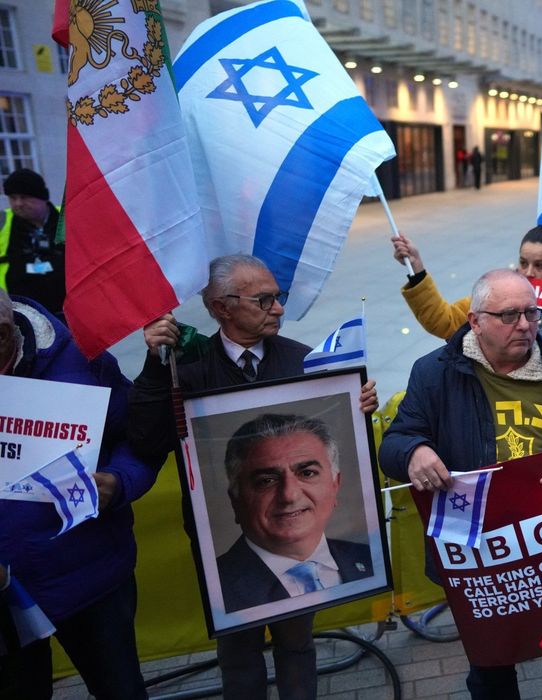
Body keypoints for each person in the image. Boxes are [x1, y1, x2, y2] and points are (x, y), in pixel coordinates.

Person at [127, 254, 377, 700]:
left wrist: (355, 407)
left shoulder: (305, 362)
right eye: (265, 300)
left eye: (277, 297)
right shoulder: (184, 368)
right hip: (222, 539)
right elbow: (146, 441)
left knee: (297, 642)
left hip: (297, 545)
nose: (278, 308)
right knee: (238, 650)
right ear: (223, 307)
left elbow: (335, 436)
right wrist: (152, 367)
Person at [378, 269, 542, 700]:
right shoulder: (434, 374)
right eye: (509, 315)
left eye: (531, 313)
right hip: (477, 556)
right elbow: (394, 443)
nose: (525, 325)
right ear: (475, 321)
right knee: (490, 666)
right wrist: (414, 450)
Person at [0, 289, 154, 699]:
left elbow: (139, 440)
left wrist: (119, 481)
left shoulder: (80, 360)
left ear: (7, 329)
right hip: (3, 592)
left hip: (89, 577)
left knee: (120, 690)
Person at [391, 224, 542, 397]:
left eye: (540, 265)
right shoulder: (504, 291)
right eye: (523, 262)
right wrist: (417, 270)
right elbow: (443, 320)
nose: (528, 272)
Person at [216, 414, 373, 613]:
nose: (289, 495)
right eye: (266, 481)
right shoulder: (217, 588)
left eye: (307, 473)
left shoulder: (370, 559)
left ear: (335, 485)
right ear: (235, 500)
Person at [1, 169, 64, 318]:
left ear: (42, 197)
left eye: (24, 197)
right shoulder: (3, 222)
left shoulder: (67, 217)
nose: (18, 204)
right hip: (20, 316)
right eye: (13, 198)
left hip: (68, 312)